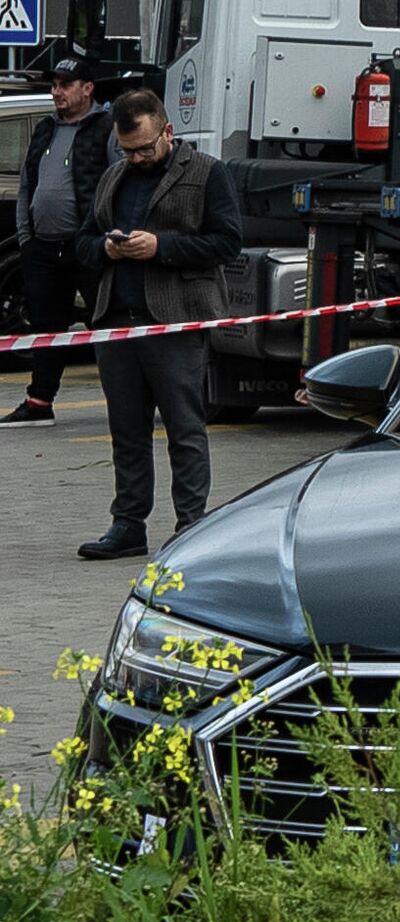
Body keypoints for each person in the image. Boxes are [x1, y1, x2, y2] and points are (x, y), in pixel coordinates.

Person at [73, 89, 242, 560]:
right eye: (128, 150)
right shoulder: (114, 176)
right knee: (126, 432)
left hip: (175, 322)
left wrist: (161, 247)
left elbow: (228, 242)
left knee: (185, 430)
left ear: (168, 131)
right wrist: (106, 248)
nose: (138, 157)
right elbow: (83, 241)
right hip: (117, 323)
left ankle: (191, 525)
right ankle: (128, 524)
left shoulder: (208, 172)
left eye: (146, 147)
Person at [0, 54, 117, 429]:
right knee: (45, 329)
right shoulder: (46, 129)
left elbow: (121, 182)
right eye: (54, 85)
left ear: (87, 89)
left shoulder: (106, 128)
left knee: (107, 324)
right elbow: (26, 185)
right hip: (43, 247)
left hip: (87, 245)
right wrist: (26, 236)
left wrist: (105, 234)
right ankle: (38, 403)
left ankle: (125, 401)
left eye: (65, 85)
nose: (57, 92)